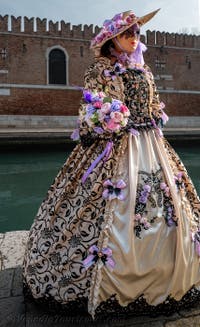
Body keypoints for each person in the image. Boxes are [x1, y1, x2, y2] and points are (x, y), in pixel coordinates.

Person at [23, 8, 200, 319]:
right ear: (112, 40)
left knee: (167, 205)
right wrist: (106, 119)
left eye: (137, 34)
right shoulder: (100, 70)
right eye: (127, 34)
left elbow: (153, 104)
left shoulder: (144, 72)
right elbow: (90, 107)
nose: (134, 39)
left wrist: (155, 112)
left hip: (152, 145)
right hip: (115, 149)